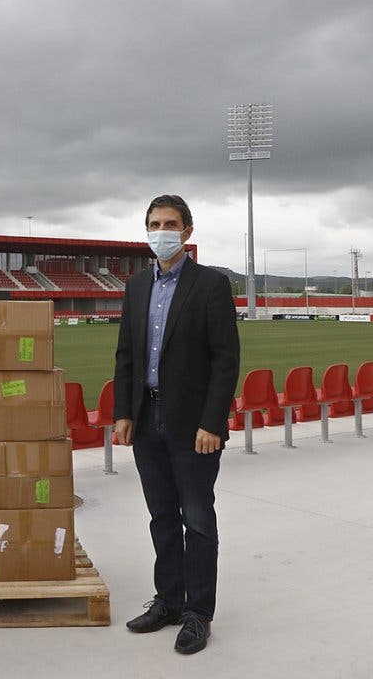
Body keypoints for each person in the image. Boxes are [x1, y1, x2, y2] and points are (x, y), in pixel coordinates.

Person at [113, 194, 240, 655]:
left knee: (198, 519)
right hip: (147, 419)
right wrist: (123, 413)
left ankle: (197, 614)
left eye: (169, 223)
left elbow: (225, 361)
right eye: (153, 223)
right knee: (162, 517)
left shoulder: (210, 286)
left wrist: (212, 422)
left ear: (186, 232)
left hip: (193, 426)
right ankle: (167, 601)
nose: (160, 230)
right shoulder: (136, 287)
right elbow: (126, 353)